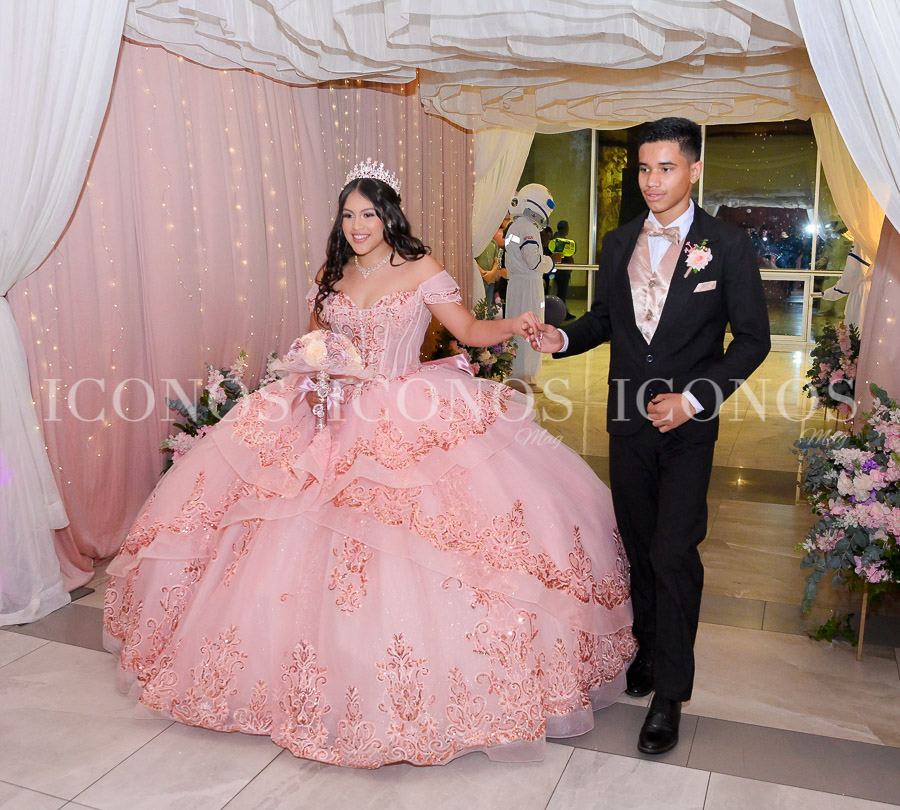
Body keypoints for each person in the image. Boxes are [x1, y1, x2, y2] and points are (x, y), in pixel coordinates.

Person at [103, 160, 635, 768]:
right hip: (323, 413)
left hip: (404, 409)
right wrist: (315, 375)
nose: (358, 225)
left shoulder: (422, 268)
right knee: (280, 529)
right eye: (348, 214)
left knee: (417, 537)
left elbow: (465, 329)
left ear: (389, 217)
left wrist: (515, 324)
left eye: (369, 214)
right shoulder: (331, 274)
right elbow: (316, 342)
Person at [527, 118, 770, 755]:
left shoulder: (727, 245)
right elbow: (608, 319)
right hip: (627, 419)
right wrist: (562, 337)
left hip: (689, 427)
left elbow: (753, 340)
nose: (651, 180)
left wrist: (694, 400)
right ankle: (646, 650)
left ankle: (671, 694)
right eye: (643, 168)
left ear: (694, 170)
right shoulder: (618, 242)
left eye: (665, 167)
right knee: (637, 544)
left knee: (673, 550)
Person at [505, 183, 554, 393]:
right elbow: (533, 261)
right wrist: (550, 263)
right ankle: (525, 378)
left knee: (517, 329)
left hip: (516, 284)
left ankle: (517, 375)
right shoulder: (528, 228)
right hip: (528, 284)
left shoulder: (515, 226)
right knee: (531, 328)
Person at [474, 220, 506, 307]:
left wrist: (492, 272)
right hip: (480, 279)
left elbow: (496, 260)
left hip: (491, 280)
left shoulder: (493, 243)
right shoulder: (478, 243)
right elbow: (474, 260)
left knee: (489, 302)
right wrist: (482, 272)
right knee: (479, 303)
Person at [549, 220, 576, 319]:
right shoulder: (560, 240)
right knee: (561, 293)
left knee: (560, 292)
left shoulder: (558, 237)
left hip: (562, 271)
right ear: (565, 228)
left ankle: (562, 312)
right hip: (562, 272)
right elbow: (563, 254)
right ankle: (562, 313)